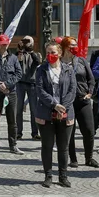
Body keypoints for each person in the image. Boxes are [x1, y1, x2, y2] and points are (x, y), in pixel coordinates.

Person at [35, 42, 77, 188]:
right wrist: (54, 104)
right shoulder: (41, 69)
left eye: (53, 52)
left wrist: (63, 107)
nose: (50, 55)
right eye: (47, 53)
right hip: (46, 112)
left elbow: (72, 90)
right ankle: (48, 175)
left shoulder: (68, 69)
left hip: (66, 112)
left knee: (63, 146)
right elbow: (40, 90)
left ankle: (63, 176)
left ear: (59, 53)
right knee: (47, 145)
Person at [60, 37, 99, 168]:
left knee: (89, 130)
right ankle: (73, 158)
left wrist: (90, 93)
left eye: (76, 45)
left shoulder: (81, 60)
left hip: (83, 100)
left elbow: (91, 79)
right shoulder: (59, 63)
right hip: (67, 103)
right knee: (69, 132)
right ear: (65, 47)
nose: (75, 47)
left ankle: (89, 158)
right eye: (72, 45)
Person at [0, 34, 23, 155]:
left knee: (12, 120)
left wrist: (7, 84)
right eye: (2, 44)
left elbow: (18, 74)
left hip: (11, 92)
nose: (4, 47)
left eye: (6, 44)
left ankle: (13, 145)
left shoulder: (13, 58)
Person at [16, 35, 42, 140]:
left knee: (34, 110)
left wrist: (31, 51)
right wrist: (20, 50)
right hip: (20, 83)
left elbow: (37, 62)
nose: (26, 43)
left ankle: (35, 132)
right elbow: (17, 63)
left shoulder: (36, 54)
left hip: (32, 84)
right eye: (24, 41)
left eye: (28, 41)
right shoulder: (19, 53)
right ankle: (18, 132)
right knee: (18, 109)